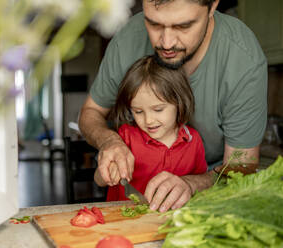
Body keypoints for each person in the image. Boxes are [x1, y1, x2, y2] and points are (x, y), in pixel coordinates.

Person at [79, 0, 267, 212]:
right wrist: (109, 141)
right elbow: (90, 112)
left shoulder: (243, 58)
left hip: (208, 195)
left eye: (183, 26)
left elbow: (242, 167)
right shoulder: (128, 37)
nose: (166, 43)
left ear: (213, 7)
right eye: (153, 23)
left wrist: (191, 184)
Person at [94, 55, 208, 206]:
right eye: (138, 112)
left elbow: (200, 186)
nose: (148, 121)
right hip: (123, 223)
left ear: (179, 102)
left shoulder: (193, 140)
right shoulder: (125, 137)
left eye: (158, 109)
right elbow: (98, 179)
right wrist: (108, 173)